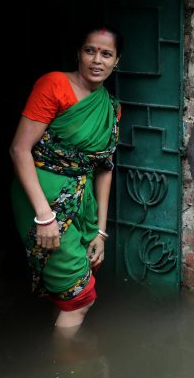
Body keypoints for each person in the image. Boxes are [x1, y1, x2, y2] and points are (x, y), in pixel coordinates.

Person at [9, 26, 121, 330]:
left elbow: (104, 168)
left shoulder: (111, 108)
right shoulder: (54, 85)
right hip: (42, 201)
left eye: (106, 53)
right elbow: (19, 150)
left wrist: (101, 230)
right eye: (90, 50)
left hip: (81, 204)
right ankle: (66, 369)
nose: (97, 60)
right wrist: (44, 217)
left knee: (77, 280)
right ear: (79, 54)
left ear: (116, 61)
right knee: (81, 299)